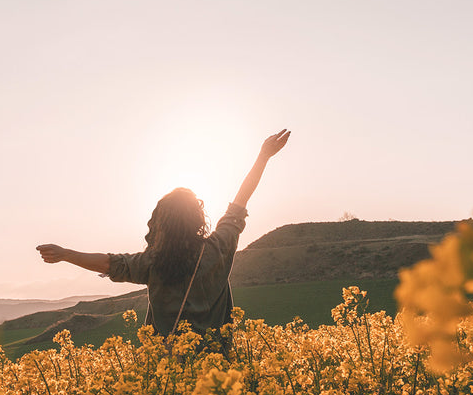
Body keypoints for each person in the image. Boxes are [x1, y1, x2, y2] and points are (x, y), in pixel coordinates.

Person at [36, 129, 290, 345]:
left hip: (166, 372)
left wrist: (66, 254)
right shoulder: (218, 248)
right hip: (218, 371)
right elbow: (239, 201)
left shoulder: (153, 263)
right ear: (198, 220)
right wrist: (263, 157)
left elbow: (110, 263)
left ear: (160, 223)